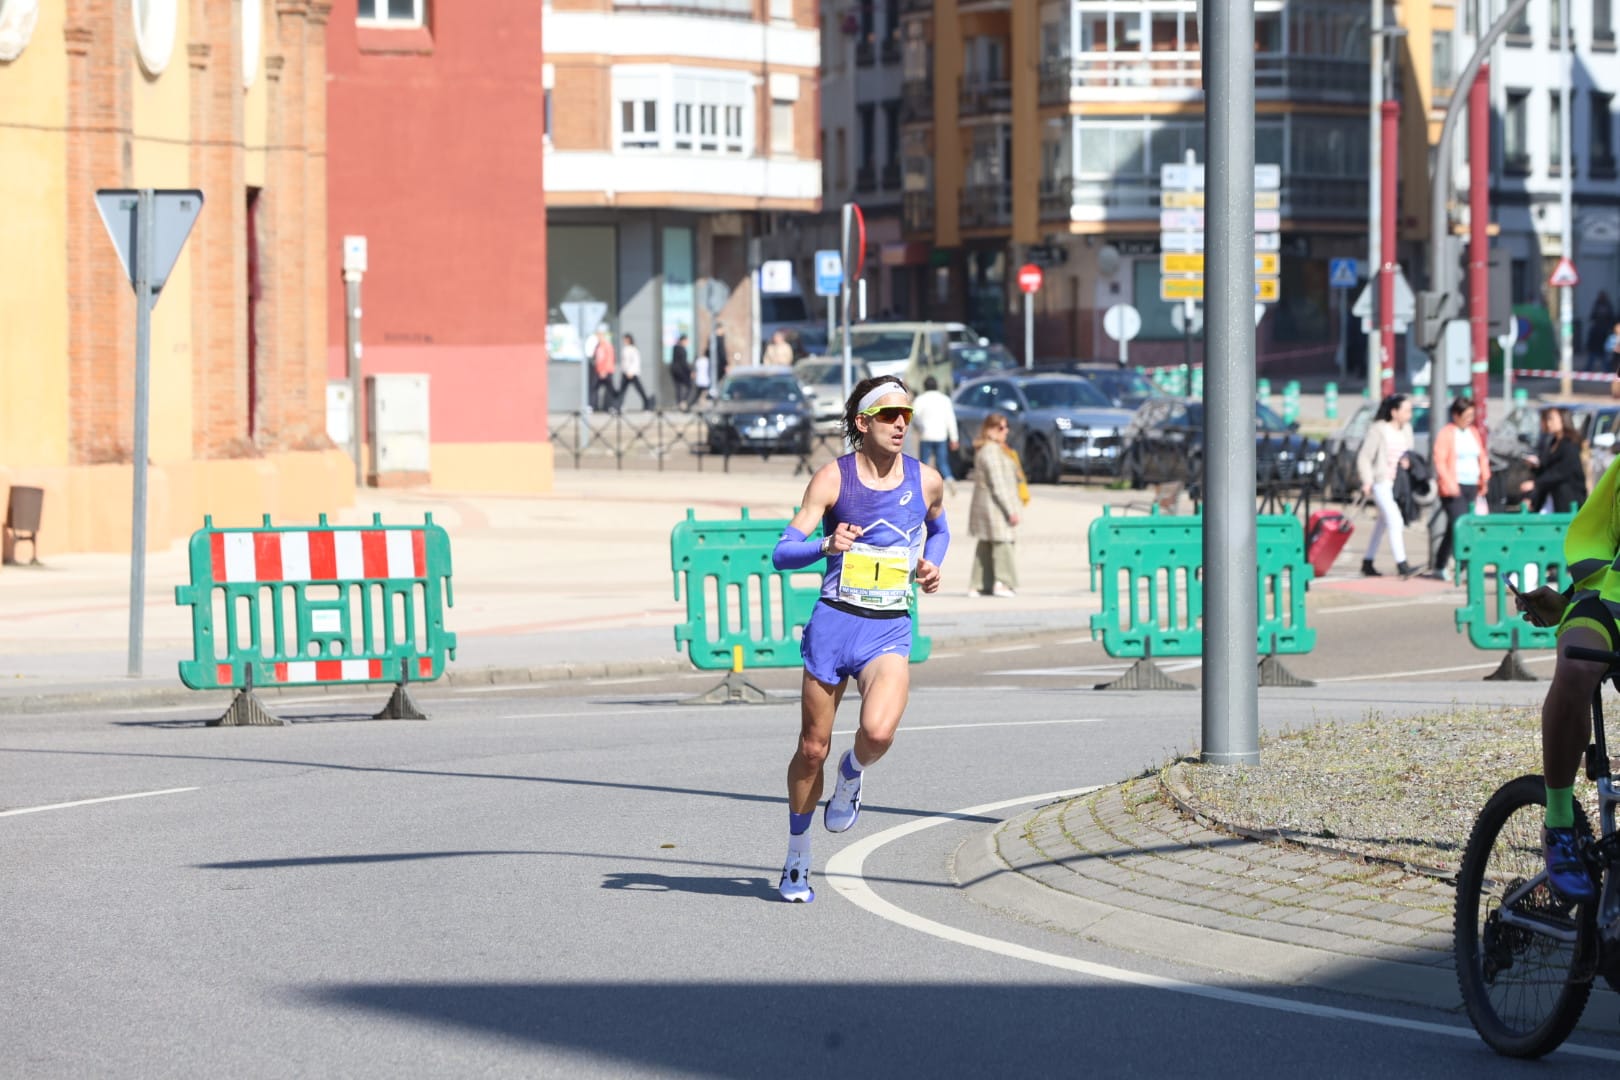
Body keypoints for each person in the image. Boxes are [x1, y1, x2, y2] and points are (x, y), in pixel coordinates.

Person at [769, 375, 949, 903]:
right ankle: (797, 856)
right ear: (862, 423)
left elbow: (939, 529)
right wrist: (826, 543)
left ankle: (853, 773)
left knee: (877, 733)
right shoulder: (832, 479)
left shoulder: (927, 480)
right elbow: (783, 551)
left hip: (888, 627)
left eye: (906, 416)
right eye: (889, 415)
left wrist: (931, 565)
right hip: (833, 622)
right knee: (811, 748)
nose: (900, 425)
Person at [1427, 395, 1491, 581]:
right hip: (1453, 487)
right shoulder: (1447, 433)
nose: (1470, 419)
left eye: (1472, 415)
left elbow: (1482, 457)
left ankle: (1439, 564)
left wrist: (1484, 479)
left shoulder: (1473, 432)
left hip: (1472, 485)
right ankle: (1463, 565)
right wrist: (1448, 483)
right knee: (1460, 525)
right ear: (1456, 415)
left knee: (1453, 527)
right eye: (1466, 415)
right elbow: (1440, 460)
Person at [1355, 393, 1416, 578]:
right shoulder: (1379, 429)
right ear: (1394, 412)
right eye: (1406, 410)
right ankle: (1402, 564)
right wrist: (1367, 481)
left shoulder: (1407, 430)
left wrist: (1409, 462)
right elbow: (1364, 457)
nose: (1409, 414)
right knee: (1395, 520)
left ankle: (1367, 561)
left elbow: (1410, 453)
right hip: (1381, 482)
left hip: (1399, 485)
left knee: (1382, 523)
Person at [967, 412, 1020, 598]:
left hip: (987, 506)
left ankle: (980, 584)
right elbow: (999, 484)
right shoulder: (991, 451)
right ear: (990, 429)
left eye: (1006, 427)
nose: (1006, 431)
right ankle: (1003, 583)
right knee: (1002, 543)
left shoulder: (991, 449)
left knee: (986, 545)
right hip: (995, 507)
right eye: (1001, 428)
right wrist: (1011, 510)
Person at [1520, 406, 1588, 513]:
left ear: (1563, 419)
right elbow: (1547, 469)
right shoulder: (1552, 442)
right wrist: (1535, 466)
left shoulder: (1570, 444)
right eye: (1547, 419)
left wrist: (1536, 483)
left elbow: (1562, 471)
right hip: (1550, 496)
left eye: (1551, 419)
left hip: (1567, 498)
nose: (1549, 423)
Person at [912, 376, 960, 495]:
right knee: (943, 462)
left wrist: (920, 428)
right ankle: (950, 480)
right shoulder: (945, 399)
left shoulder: (920, 399)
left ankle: (922, 488)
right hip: (941, 436)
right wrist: (954, 438)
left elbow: (915, 417)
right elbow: (951, 420)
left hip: (926, 436)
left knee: (924, 464)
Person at [617, 332, 654, 412]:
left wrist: (630, 372)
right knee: (622, 391)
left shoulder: (633, 349)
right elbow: (624, 362)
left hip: (632, 374)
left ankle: (647, 404)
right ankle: (618, 406)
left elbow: (635, 362)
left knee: (640, 390)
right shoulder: (625, 349)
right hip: (625, 373)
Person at [590, 325, 617, 413]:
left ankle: (612, 406)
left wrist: (604, 370)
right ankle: (593, 406)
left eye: (599, 335)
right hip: (598, 371)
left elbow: (609, 358)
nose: (598, 337)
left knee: (609, 390)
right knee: (594, 388)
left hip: (606, 371)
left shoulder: (607, 346)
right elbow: (596, 358)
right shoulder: (598, 346)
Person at [1586, 293, 1615, 372]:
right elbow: (1592, 316)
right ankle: (1605, 369)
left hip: (1602, 334)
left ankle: (1606, 370)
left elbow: (1611, 318)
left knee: (1601, 355)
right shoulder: (1599, 305)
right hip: (1598, 334)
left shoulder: (1606, 306)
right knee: (1595, 354)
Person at [669, 333, 694, 410]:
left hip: (674, 370)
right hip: (681, 371)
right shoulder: (682, 350)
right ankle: (683, 402)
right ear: (683, 341)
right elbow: (683, 363)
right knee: (689, 385)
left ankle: (679, 403)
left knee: (678, 388)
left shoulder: (675, 348)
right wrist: (690, 372)